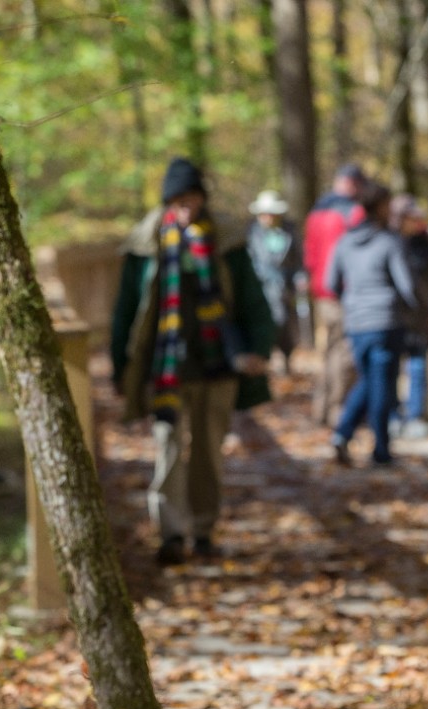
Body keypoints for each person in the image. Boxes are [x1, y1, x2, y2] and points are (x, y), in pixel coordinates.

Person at [110, 157, 274, 565]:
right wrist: (121, 368)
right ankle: (170, 533)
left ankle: (202, 530)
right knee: (167, 450)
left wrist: (258, 348)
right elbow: (126, 311)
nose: (187, 207)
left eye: (193, 198)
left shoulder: (226, 243)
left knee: (208, 453)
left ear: (202, 199)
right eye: (179, 200)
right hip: (165, 370)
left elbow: (253, 301)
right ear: (168, 202)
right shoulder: (146, 246)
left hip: (217, 366)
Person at [327, 181, 419, 467]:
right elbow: (406, 285)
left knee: (370, 381)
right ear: (379, 207)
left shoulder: (345, 242)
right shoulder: (389, 242)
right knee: (381, 385)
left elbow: (331, 282)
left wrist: (353, 303)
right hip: (385, 322)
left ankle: (343, 435)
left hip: (357, 324)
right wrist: (419, 311)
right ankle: (380, 451)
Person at [304, 163, 367, 426]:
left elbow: (309, 255)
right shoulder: (352, 213)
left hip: (320, 292)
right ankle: (337, 411)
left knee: (329, 351)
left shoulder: (316, 213)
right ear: (353, 184)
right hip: (342, 292)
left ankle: (321, 408)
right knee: (344, 353)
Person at [388, 194, 428, 440]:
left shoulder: (423, 244)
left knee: (417, 366)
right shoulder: (390, 243)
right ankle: (392, 416)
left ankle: (414, 416)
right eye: (412, 217)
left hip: (420, 317)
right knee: (390, 367)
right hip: (394, 316)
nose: (417, 222)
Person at [246, 189, 302, 374]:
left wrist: (300, 278)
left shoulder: (290, 231)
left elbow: (299, 260)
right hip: (262, 289)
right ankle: (266, 359)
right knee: (269, 323)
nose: (268, 217)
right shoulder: (252, 234)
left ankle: (286, 358)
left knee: (287, 325)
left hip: (286, 288)